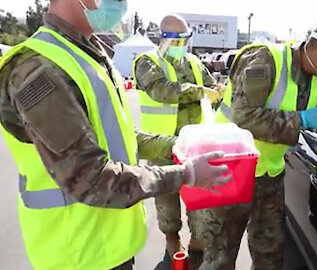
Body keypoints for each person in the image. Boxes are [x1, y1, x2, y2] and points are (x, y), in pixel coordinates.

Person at [0, 1, 231, 269]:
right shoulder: (40, 69)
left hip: (108, 246)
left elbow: (117, 135)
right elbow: (90, 178)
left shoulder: (87, 55)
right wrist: (188, 174)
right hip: (78, 254)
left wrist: (179, 145)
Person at [190, 15, 317, 270]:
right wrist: (302, 119)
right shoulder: (265, 61)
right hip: (230, 171)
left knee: (270, 255)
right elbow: (244, 117)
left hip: (269, 173)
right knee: (220, 257)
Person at [132, 14, 223, 264]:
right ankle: (172, 237)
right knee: (167, 199)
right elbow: (161, 90)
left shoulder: (193, 62)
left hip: (194, 145)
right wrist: (200, 91)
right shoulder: (146, 62)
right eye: (176, 39)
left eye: (185, 38)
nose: (181, 44)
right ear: (162, 37)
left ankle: (197, 239)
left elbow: (211, 85)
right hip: (161, 145)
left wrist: (218, 91)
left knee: (199, 195)